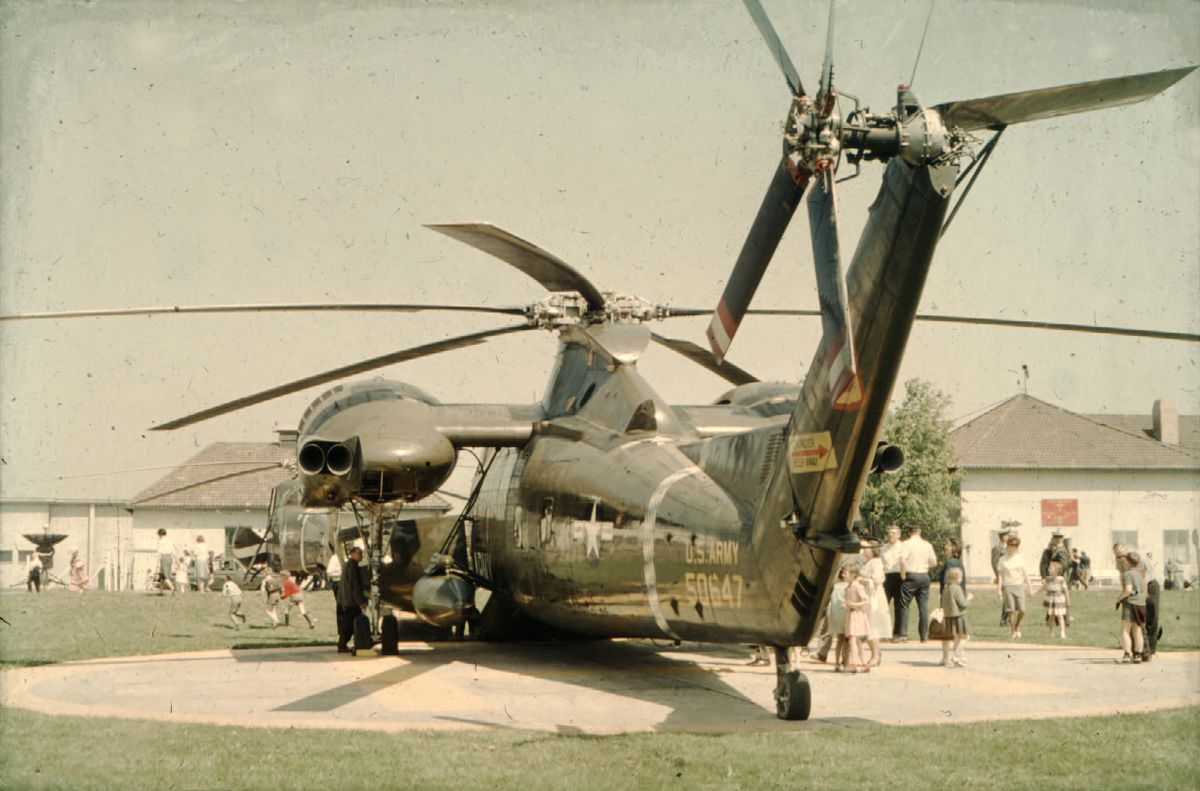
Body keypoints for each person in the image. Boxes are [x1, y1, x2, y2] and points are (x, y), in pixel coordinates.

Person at [897, 524, 937, 642]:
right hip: (924, 574)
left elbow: (902, 560)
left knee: (904, 604)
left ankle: (903, 633)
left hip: (911, 574)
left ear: (909, 533)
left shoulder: (905, 544)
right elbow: (934, 562)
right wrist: (925, 565)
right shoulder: (927, 545)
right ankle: (923, 635)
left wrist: (903, 574)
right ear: (919, 532)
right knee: (923, 606)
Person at [997, 534, 1034, 638]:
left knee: (1022, 609)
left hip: (1019, 585)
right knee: (1011, 610)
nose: (1012, 548)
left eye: (1014, 546)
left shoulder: (1020, 559)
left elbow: (1025, 574)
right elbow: (1000, 575)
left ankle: (1017, 626)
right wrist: (999, 589)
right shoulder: (1002, 559)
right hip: (1008, 586)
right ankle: (1013, 631)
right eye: (1010, 545)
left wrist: (1030, 588)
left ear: (1017, 547)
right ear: (1007, 545)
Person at [335, 545, 369, 653]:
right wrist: (361, 601)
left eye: (361, 553)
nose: (361, 556)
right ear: (352, 554)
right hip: (350, 601)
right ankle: (343, 644)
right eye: (359, 553)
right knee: (349, 624)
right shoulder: (352, 567)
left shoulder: (348, 565)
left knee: (347, 623)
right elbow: (354, 585)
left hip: (346, 599)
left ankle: (343, 644)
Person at [1115, 550, 1147, 664]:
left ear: (1128, 562)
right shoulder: (1140, 574)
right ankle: (1138, 655)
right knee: (1137, 630)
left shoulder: (1128, 574)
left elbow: (1128, 590)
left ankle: (1127, 654)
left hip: (1131, 603)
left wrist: (1119, 598)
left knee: (1125, 630)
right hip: (1141, 604)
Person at [860, 546, 889, 668]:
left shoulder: (876, 562)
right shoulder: (867, 562)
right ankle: (875, 652)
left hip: (873, 596)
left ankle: (875, 655)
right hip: (866, 595)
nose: (864, 550)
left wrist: (861, 580)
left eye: (866, 548)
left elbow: (876, 580)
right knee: (865, 626)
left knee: (872, 625)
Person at [939, 566, 970, 667]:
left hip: (947, 616)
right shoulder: (957, 588)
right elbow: (963, 604)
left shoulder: (946, 588)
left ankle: (947, 658)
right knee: (965, 637)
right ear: (957, 578)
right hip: (958, 616)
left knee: (949, 638)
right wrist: (968, 598)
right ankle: (956, 655)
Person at [842, 564, 870, 674]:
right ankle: (864, 663)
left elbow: (866, 600)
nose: (843, 575)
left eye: (845, 573)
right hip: (851, 615)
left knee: (852, 639)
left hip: (856, 615)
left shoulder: (857, 586)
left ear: (853, 575)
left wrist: (854, 604)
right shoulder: (848, 587)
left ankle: (853, 664)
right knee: (856, 641)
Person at [880, 525, 904, 639]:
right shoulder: (883, 548)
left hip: (899, 577)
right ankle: (882, 632)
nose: (891, 535)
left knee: (899, 606)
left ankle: (897, 633)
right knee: (883, 606)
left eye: (893, 533)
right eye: (889, 533)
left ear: (899, 535)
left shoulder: (902, 547)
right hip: (887, 577)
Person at [1041, 560, 1070, 638]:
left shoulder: (1061, 579)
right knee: (1051, 616)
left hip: (1059, 599)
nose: (1049, 569)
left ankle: (1062, 633)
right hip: (1051, 599)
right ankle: (1051, 632)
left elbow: (1065, 590)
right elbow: (1044, 588)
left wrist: (1068, 600)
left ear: (1057, 570)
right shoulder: (1047, 579)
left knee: (1060, 616)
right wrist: (1035, 591)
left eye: (1051, 568)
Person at [992, 528, 1011, 625]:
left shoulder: (1009, 547)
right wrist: (999, 577)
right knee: (1007, 599)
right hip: (1003, 577)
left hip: (1010, 576)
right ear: (1002, 537)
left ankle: (1007, 619)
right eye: (1006, 535)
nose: (1008, 536)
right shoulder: (997, 548)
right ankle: (1004, 620)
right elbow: (995, 564)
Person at [156, 528, 175, 593]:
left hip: (164, 557)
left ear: (160, 534)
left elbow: (159, 552)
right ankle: (161, 591)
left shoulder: (160, 541)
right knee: (162, 575)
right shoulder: (170, 541)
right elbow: (173, 551)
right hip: (169, 557)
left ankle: (172, 588)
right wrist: (177, 561)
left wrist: (157, 562)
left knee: (164, 575)